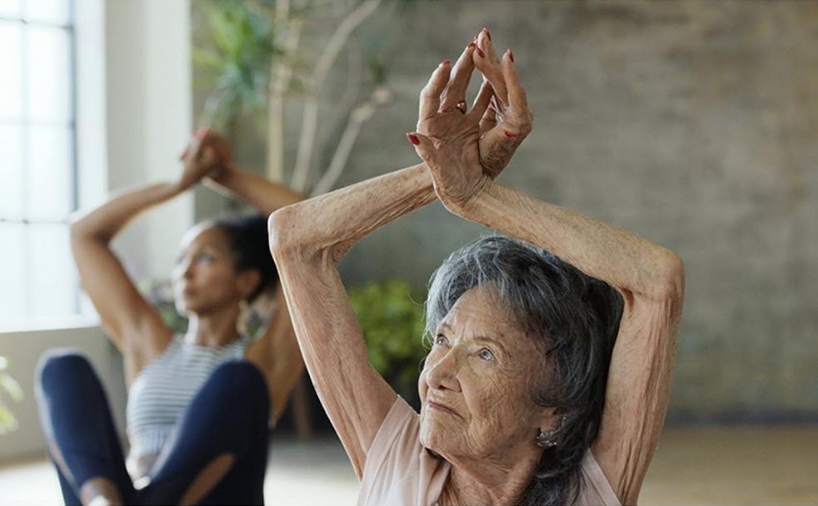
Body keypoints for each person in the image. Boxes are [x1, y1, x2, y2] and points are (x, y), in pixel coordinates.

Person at [268, 28, 684, 505]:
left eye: (485, 354)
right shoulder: (399, 465)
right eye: (443, 339)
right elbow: (295, 241)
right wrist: (442, 173)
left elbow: (657, 280)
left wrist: (478, 197)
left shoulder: (587, 493)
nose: (437, 372)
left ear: (554, 414)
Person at [35, 128, 305, 505]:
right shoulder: (149, 345)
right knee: (61, 366)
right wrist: (177, 184)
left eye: (205, 257)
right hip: (131, 492)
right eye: (181, 260)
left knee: (240, 381)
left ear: (246, 281)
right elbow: (84, 233)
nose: (185, 271)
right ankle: (101, 500)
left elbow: (307, 224)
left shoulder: (265, 357)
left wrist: (221, 173)